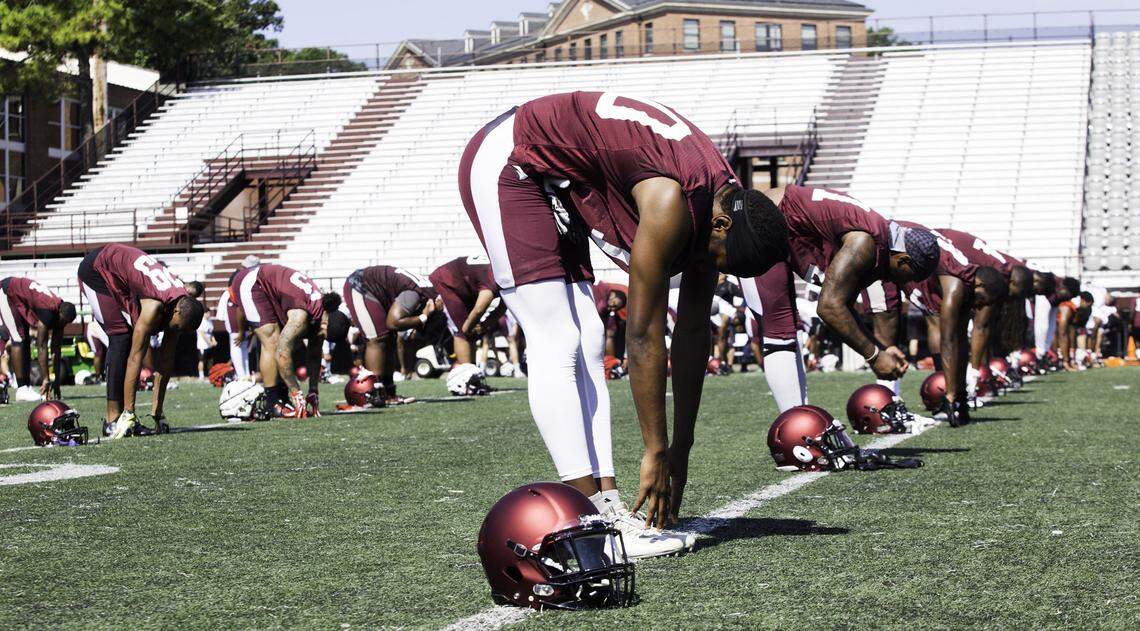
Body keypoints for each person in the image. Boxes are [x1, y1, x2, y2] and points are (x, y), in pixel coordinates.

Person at [459, 90, 791, 555]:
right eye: (719, 260)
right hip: (510, 159)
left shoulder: (723, 204)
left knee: (591, 337)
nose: (711, 269)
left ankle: (607, 506)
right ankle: (585, 518)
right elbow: (642, 334)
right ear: (720, 228)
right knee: (558, 337)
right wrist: (654, 450)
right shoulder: (672, 200)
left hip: (556, 171)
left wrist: (681, 448)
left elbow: (692, 333)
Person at [736, 187, 942, 412]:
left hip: (773, 221)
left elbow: (842, 305)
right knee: (780, 332)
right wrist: (874, 356)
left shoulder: (879, 239)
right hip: (758, 219)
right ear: (902, 259)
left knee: (786, 333)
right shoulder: (865, 242)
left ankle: (799, 421)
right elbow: (829, 308)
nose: (905, 284)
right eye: (910, 277)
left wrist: (880, 348)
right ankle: (796, 428)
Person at [77, 244, 205, 438]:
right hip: (96, 269)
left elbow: (166, 361)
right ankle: (113, 419)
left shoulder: (180, 308)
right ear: (176, 311)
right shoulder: (155, 307)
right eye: (177, 327)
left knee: (128, 337)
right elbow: (135, 358)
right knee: (121, 337)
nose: (174, 331)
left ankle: (125, 415)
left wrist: (157, 412)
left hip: (121, 274)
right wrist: (130, 413)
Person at [896, 224, 1007, 423]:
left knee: (953, 334)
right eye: (983, 299)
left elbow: (961, 341)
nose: (981, 306)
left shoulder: (968, 286)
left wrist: (961, 394)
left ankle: (953, 392)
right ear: (979, 284)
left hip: (922, 261)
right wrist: (950, 394)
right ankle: (890, 395)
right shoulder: (956, 286)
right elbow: (947, 339)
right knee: (926, 322)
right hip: (897, 248)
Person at [229, 263, 347, 417]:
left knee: (290, 344)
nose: (321, 339)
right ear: (324, 324)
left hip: (269, 286)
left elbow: (314, 354)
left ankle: (282, 397)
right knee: (274, 341)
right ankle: (272, 402)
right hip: (252, 282)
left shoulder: (322, 314)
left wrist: (313, 391)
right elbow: (281, 353)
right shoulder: (301, 316)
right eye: (324, 336)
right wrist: (297, 393)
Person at [342, 265, 437, 405]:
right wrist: (424, 317)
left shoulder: (426, 292)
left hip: (374, 290)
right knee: (378, 338)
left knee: (390, 339)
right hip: (360, 286)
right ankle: (375, 391)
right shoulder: (417, 293)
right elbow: (393, 322)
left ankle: (388, 391)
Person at [0, 277, 78, 401]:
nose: (62, 325)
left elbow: (56, 350)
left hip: (19, 297)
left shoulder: (61, 314)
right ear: (59, 315)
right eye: (63, 322)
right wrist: (46, 379)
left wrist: (57, 381)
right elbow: (41, 347)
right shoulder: (49, 310)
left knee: (24, 340)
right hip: (6, 291)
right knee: (18, 338)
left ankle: (26, 386)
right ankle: (21, 389)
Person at [428, 255, 506, 367]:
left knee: (471, 334)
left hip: (467, 286)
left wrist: (484, 324)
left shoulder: (502, 275)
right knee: (462, 331)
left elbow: (503, 307)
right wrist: (468, 327)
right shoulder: (495, 278)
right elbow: (479, 309)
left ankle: (472, 373)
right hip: (447, 282)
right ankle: (466, 376)